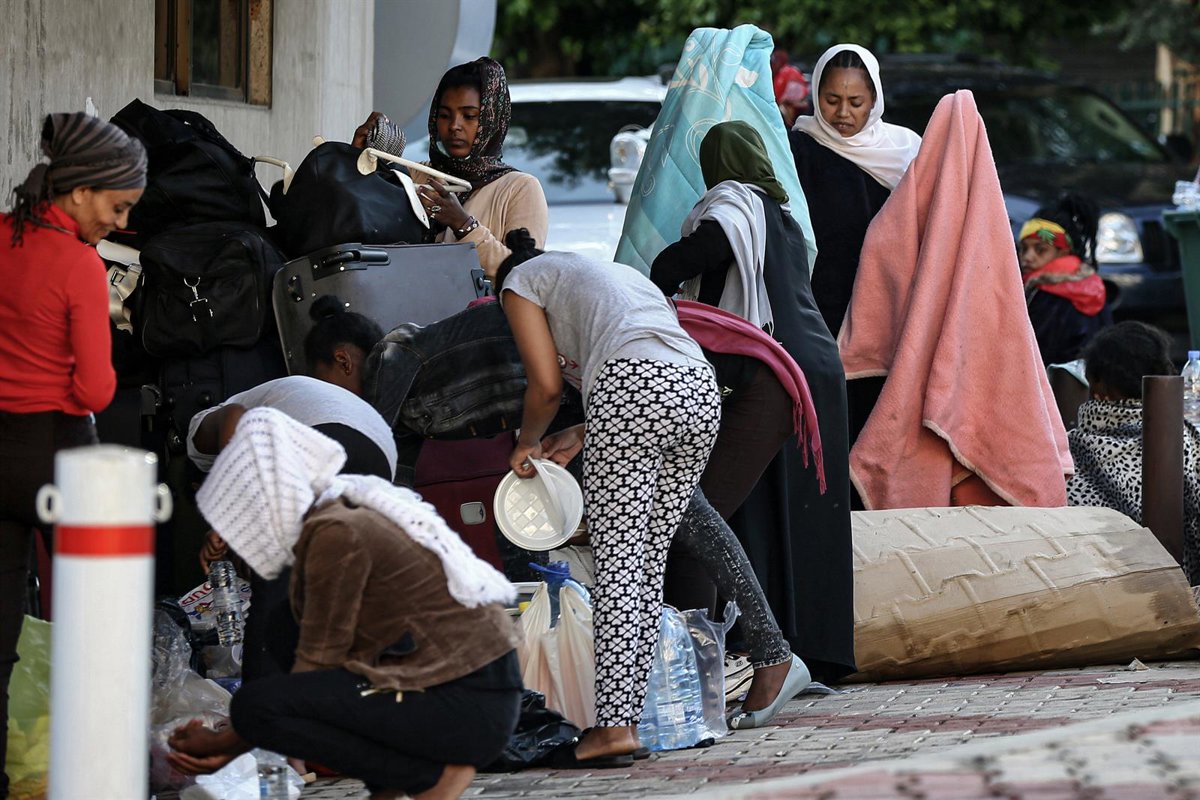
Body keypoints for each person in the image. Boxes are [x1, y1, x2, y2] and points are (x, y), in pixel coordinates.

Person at [168, 409, 521, 800]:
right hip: (458, 692)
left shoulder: (335, 531)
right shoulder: (341, 509)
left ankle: (426, 774)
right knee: (284, 630)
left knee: (257, 706)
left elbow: (314, 673)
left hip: (467, 702)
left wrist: (226, 744)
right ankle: (391, 783)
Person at [496, 230, 721, 764]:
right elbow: (647, 360)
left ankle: (614, 728)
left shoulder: (520, 282)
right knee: (647, 564)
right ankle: (629, 721)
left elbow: (546, 386)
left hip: (632, 386)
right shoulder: (609, 274)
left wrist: (527, 442)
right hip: (698, 388)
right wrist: (582, 431)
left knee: (619, 564)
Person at [649, 121, 857, 684]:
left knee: (703, 518)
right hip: (815, 369)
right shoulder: (783, 218)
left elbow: (689, 258)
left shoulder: (732, 206)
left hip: (769, 370)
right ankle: (810, 650)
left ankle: (702, 671)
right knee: (794, 520)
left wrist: (657, 279)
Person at [0, 111, 146, 798]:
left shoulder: (2, 237)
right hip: (58, 449)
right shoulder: (80, 265)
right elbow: (94, 389)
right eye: (117, 208)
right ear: (80, 191)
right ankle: (105, 774)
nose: (119, 223)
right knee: (99, 620)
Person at [839, 90, 1072, 510]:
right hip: (970, 352)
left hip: (892, 374)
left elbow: (880, 259)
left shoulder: (903, 204)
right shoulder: (989, 219)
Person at [188, 296, 396, 681]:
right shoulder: (369, 411)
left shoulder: (277, 392)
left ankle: (267, 699)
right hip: (380, 460)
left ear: (343, 361)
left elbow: (234, 418)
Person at [352, 57, 548, 278]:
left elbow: (526, 275)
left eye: (469, 116)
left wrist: (462, 224)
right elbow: (360, 222)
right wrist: (356, 156)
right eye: (445, 115)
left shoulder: (520, 188)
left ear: (491, 120)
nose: (454, 126)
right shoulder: (414, 175)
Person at [789, 43, 921, 339]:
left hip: (887, 307)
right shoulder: (797, 151)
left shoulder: (907, 151)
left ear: (874, 100)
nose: (843, 113)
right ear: (816, 95)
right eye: (831, 100)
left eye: (856, 102)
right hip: (816, 308)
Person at [1067, 322, 1199, 585]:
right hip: (1181, 590)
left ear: (1096, 385)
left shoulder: (1067, 451)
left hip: (1090, 589)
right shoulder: (1185, 440)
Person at [1019, 195, 1112, 365]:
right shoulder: (1093, 285)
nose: (1028, 257)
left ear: (1063, 252)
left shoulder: (1045, 294)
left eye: (1040, 250)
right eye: (1024, 249)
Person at [770, 50, 810, 128]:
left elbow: (777, 96)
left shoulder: (784, 73)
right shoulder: (793, 70)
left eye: (775, 62)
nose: (772, 65)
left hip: (791, 107)